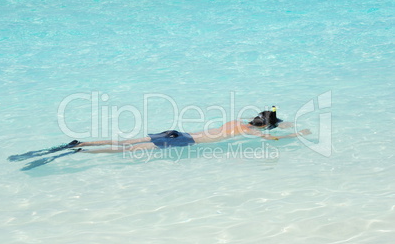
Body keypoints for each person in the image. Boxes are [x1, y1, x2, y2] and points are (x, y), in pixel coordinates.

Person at [76, 106, 311, 153]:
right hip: (185, 142)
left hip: (178, 132)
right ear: (267, 125)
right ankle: (84, 152)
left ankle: (83, 143)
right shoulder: (249, 132)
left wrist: (272, 118)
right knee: (129, 150)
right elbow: (274, 140)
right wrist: (296, 133)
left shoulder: (236, 122)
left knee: (127, 141)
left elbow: (259, 121)